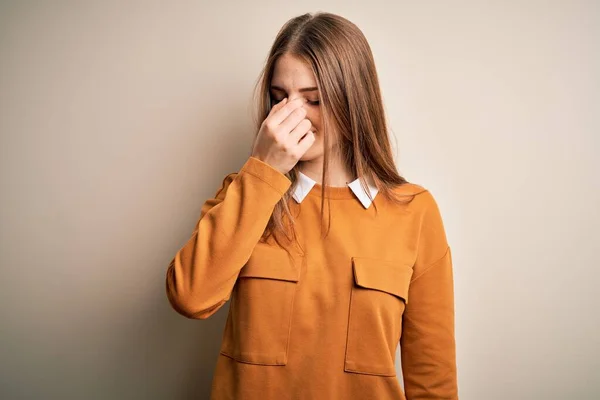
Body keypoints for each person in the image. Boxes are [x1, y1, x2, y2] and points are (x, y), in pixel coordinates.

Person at [165, 11, 458, 400]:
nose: (291, 115)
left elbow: (433, 381)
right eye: (279, 98)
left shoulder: (414, 212)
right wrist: (264, 171)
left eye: (313, 99)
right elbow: (190, 296)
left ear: (354, 102)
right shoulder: (245, 193)